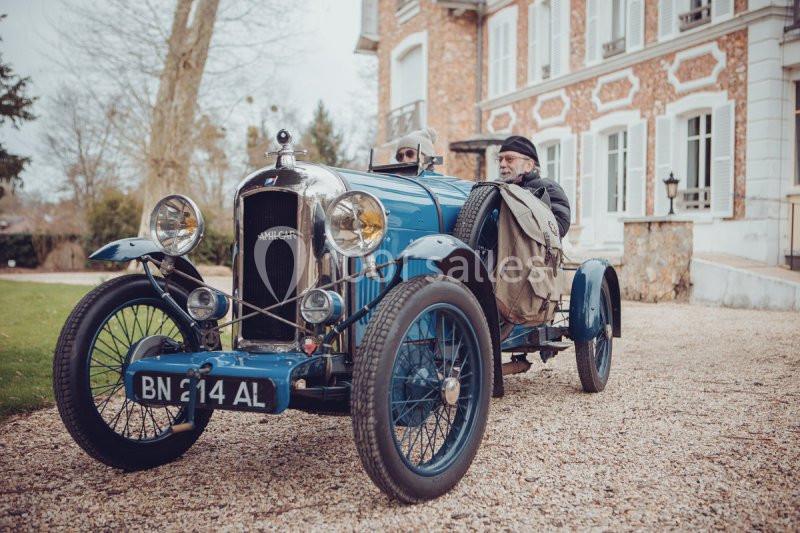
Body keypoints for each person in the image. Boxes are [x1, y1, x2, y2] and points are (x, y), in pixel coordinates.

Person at [497, 135, 570, 238]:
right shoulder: (497, 189)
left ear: (529, 165)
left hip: (534, 253)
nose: (502, 164)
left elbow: (560, 227)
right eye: (500, 159)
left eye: (509, 159)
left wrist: (524, 197)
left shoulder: (549, 187)